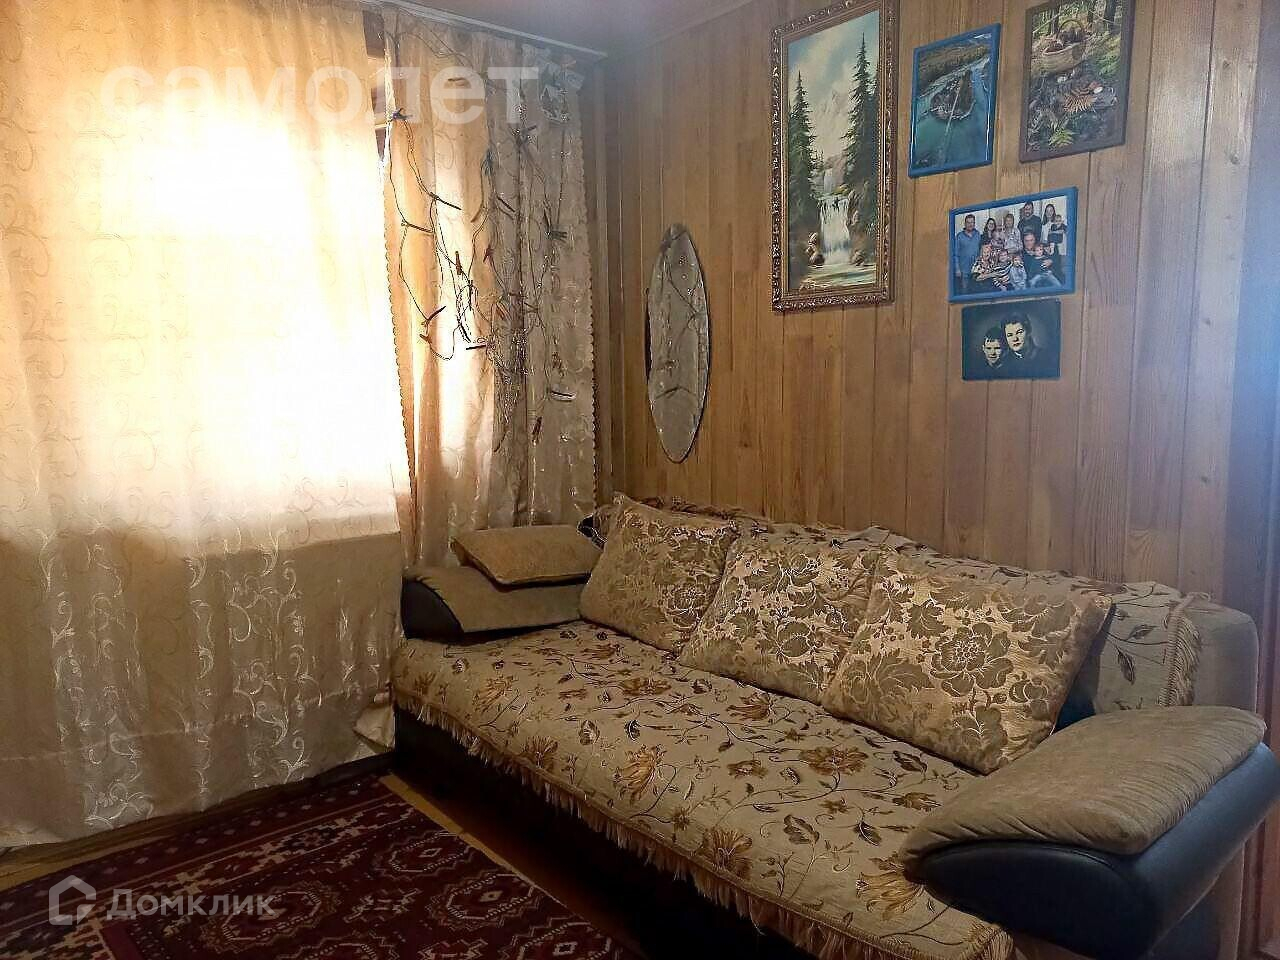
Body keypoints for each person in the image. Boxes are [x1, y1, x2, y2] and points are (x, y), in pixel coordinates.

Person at [953, 214, 981, 295]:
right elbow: (955, 254)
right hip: (964, 270)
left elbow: (981, 251)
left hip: (976, 270)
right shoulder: (959, 236)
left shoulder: (977, 234)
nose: (970, 224)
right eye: (968, 222)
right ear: (965, 224)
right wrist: (957, 269)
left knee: (976, 292)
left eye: (972, 222)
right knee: (964, 291)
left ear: (974, 223)